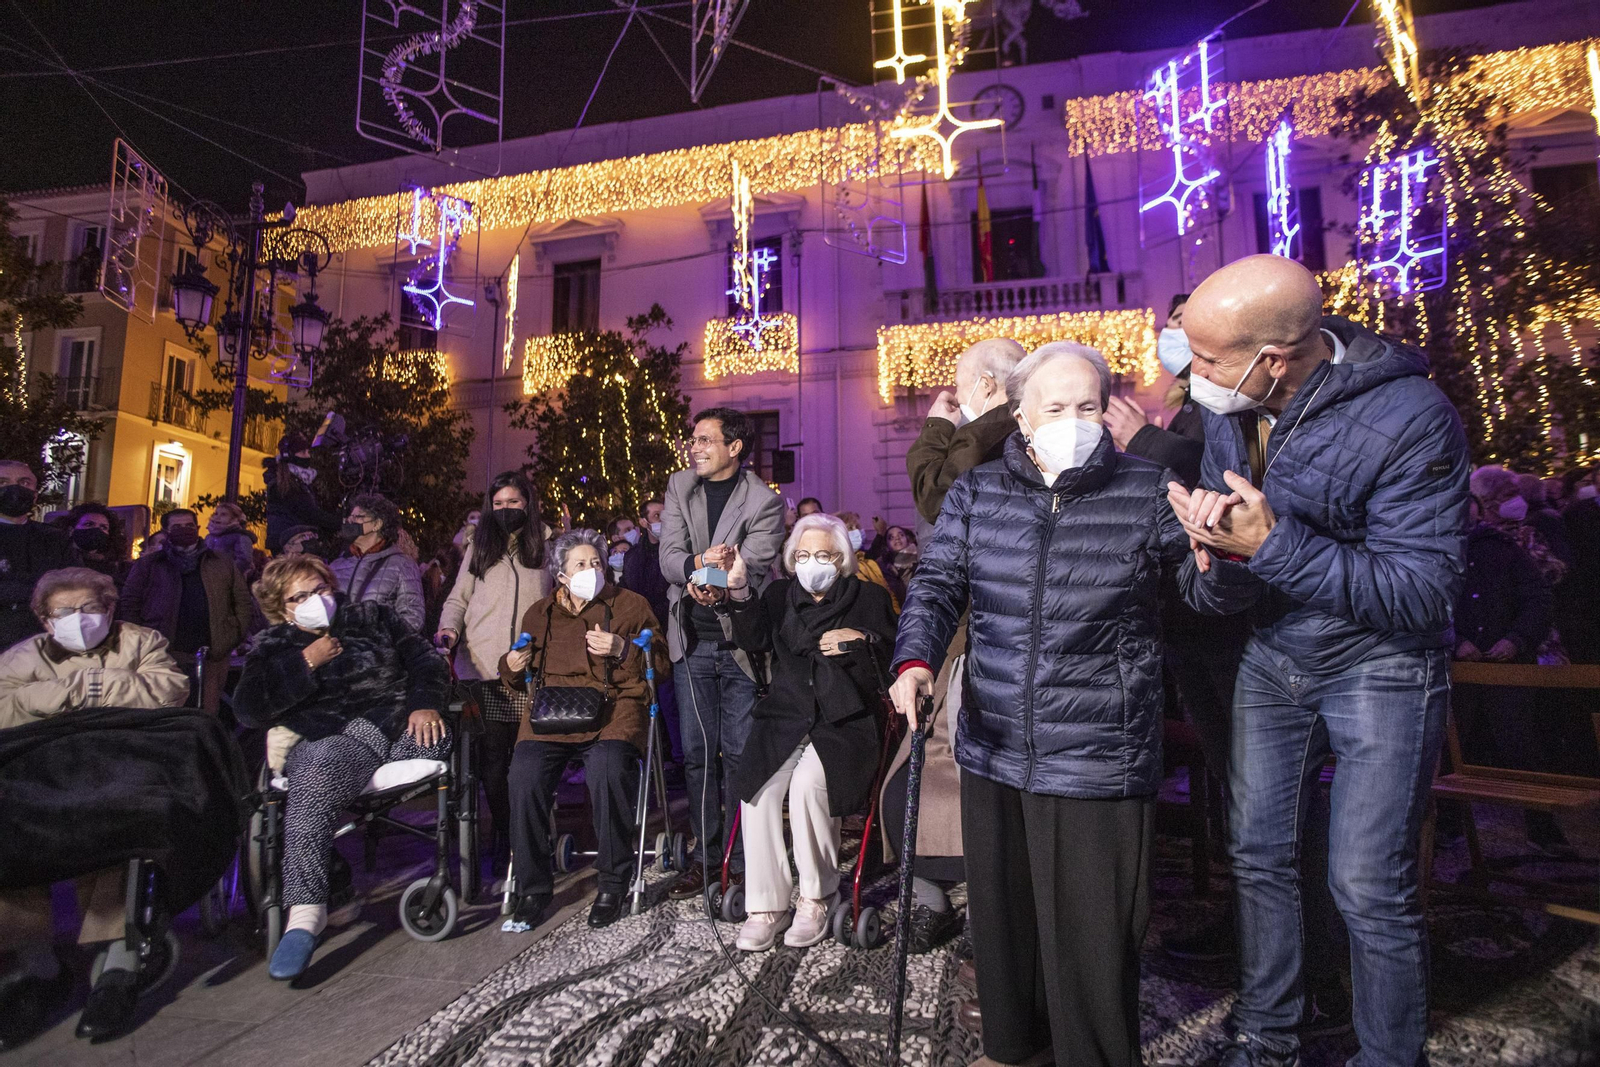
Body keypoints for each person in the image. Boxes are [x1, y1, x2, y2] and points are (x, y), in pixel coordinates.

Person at [1168, 255, 1469, 1067]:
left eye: (1206, 360)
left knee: (1369, 883)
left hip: (1383, 665)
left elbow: (1420, 594)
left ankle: (1387, 1054)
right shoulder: (1235, 406)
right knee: (1260, 854)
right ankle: (1268, 1035)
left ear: (1274, 359)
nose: (1191, 376)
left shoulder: (1412, 416)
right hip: (1274, 654)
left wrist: (1271, 545)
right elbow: (1233, 583)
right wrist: (1216, 558)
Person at [891, 341, 1189, 1067]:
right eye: (1055, 407)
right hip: (995, 738)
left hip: (1096, 748)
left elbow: (1202, 594)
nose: (1073, 419)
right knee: (1005, 921)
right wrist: (915, 657)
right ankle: (1014, 1045)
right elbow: (936, 587)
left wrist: (1223, 555)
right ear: (1021, 417)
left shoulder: (1151, 489)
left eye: (1087, 405)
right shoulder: (978, 492)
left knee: (1092, 933)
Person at [233, 555, 451, 981]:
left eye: (321, 589)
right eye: (301, 596)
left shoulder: (373, 617)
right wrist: (306, 662)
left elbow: (426, 660)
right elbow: (248, 709)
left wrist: (425, 703)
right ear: (282, 607)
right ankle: (305, 915)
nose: (316, 600)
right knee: (318, 766)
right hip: (326, 738)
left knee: (434, 735)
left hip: (395, 721)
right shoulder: (273, 647)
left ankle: (314, 905)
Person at [0, 567, 189, 1044]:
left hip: (122, 765)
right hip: (42, 772)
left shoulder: (141, 642)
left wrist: (96, 687)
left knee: (117, 814)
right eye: (64, 612)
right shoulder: (21, 657)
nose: (78, 619)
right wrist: (74, 690)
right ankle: (33, 966)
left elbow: (169, 691)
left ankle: (116, 960)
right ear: (45, 620)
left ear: (109, 608)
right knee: (10, 825)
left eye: (89, 608)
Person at [724, 514, 896, 950]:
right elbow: (753, 639)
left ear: (841, 559)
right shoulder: (781, 595)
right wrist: (741, 589)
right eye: (802, 555)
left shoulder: (868, 596)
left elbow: (892, 653)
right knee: (757, 790)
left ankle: (817, 897)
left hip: (846, 719)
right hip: (787, 715)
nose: (811, 562)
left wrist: (861, 637)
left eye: (821, 554)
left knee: (806, 787)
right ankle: (766, 904)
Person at [498, 529, 660, 930]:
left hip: (615, 709)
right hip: (552, 712)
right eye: (581, 564)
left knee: (607, 766)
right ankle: (532, 888)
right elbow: (517, 672)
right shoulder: (539, 613)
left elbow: (662, 661)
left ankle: (612, 881)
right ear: (561, 575)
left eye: (597, 563)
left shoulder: (631, 605)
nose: (592, 570)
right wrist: (511, 667)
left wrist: (624, 649)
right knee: (524, 774)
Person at [659, 407, 786, 901]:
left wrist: (714, 582)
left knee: (737, 755)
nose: (695, 447)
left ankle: (739, 859)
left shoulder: (764, 502)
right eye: (693, 438)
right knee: (696, 757)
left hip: (738, 648)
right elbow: (670, 555)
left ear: (734, 447)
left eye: (706, 439)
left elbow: (751, 567)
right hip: (691, 643)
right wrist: (698, 569)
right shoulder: (679, 487)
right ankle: (705, 859)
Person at [436, 471, 551, 873]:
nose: (505, 510)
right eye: (498, 504)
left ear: (528, 504)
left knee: (525, 758)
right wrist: (448, 630)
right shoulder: (478, 547)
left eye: (513, 503)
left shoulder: (545, 547)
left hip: (527, 671)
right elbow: (458, 598)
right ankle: (505, 833)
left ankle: (529, 834)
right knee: (491, 761)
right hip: (481, 669)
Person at [120, 509, 252, 714]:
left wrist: (233, 634)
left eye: (189, 526)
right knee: (165, 712)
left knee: (207, 714)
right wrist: (143, 637)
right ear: (166, 531)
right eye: (177, 527)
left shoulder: (221, 562)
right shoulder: (149, 564)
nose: (184, 530)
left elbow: (242, 601)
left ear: (198, 528)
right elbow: (130, 602)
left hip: (212, 654)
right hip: (163, 654)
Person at [905, 338, 1025, 545]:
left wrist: (936, 426)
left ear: (986, 384)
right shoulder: (1031, 424)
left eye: (959, 386)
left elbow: (935, 501)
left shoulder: (981, 435)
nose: (957, 396)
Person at [1103, 293, 1205, 486]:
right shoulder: (1190, 396)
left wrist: (1144, 439)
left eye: (1181, 322)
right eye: (1169, 325)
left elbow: (1208, 466)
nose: (1168, 332)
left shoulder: (1221, 395)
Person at [0, 460, 74, 652]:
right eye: (3, 482)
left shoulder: (54, 538)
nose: (14, 489)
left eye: (24, 483)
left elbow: (72, 584)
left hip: (42, 645)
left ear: (35, 495)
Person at [329, 494, 426, 632]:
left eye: (358, 517)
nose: (350, 521)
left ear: (377, 524)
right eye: (350, 516)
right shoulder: (337, 565)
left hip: (377, 651)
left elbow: (412, 617)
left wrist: (379, 643)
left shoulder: (402, 565)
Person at [264, 434, 340, 554]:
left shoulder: (296, 481)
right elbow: (310, 513)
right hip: (289, 544)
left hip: (291, 542)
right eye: (303, 452)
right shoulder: (284, 485)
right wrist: (341, 523)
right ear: (290, 455)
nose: (308, 456)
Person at [834, 511, 899, 611]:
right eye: (850, 528)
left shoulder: (866, 561)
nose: (857, 532)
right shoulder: (838, 569)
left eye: (858, 527)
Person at [66, 502, 129, 587]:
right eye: (89, 524)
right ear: (71, 530)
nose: (97, 530)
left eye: (103, 527)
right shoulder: (59, 561)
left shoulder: (117, 569)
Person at [205, 501, 258, 578]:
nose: (218, 517)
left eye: (223, 514)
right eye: (216, 513)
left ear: (234, 518)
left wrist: (226, 572)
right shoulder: (209, 537)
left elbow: (244, 560)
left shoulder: (240, 537)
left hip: (230, 578)